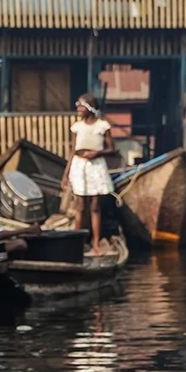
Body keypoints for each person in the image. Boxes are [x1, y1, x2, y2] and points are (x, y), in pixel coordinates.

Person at [62, 94, 117, 256]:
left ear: (90, 108)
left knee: (95, 207)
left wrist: (97, 153)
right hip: (79, 166)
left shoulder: (102, 126)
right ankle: (76, 244)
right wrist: (66, 174)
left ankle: (96, 243)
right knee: (80, 206)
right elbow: (72, 151)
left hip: (96, 166)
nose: (78, 109)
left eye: (81, 106)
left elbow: (112, 149)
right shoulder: (77, 127)